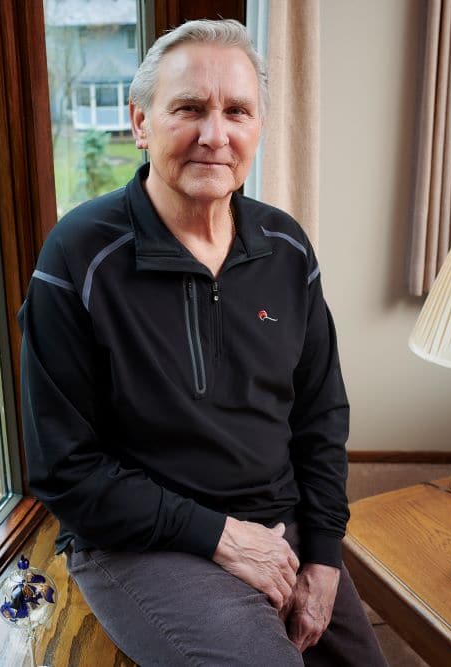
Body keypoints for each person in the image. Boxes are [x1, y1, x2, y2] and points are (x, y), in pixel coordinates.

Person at [20, 18, 387, 666]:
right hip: (141, 544)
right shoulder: (78, 257)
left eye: (236, 111)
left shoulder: (287, 248)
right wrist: (222, 536)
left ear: (258, 127)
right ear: (140, 123)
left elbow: (320, 415)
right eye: (189, 109)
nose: (215, 135)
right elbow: (64, 469)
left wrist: (325, 554)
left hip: (280, 525)